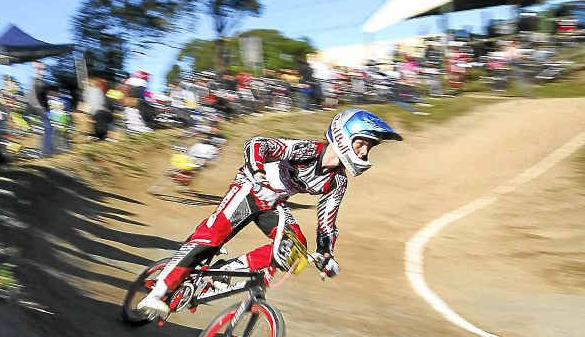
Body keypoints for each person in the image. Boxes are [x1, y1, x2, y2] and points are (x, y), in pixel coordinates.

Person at [138, 107, 402, 318]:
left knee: (296, 250)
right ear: (344, 136)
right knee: (212, 236)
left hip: (272, 203)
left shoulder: (338, 181)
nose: (365, 151)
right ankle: (158, 293)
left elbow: (327, 222)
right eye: (362, 144)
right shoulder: (309, 150)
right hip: (250, 188)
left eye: (370, 146)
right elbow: (257, 145)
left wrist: (325, 254)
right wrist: (258, 175)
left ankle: (224, 274)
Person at [27, 61, 54, 157]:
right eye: (41, 69)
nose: (43, 70)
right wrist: (42, 109)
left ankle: (45, 150)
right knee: (47, 129)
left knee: (47, 130)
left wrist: (48, 109)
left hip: (41, 109)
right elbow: (34, 98)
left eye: (44, 69)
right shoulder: (36, 82)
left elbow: (43, 98)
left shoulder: (40, 82)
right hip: (39, 110)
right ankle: (45, 152)